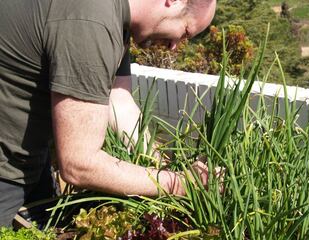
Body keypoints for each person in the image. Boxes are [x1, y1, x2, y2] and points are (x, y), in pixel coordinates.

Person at [0, 0, 216, 227]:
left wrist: (164, 166)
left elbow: (119, 101)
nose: (175, 46)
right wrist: (180, 184)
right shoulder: (91, 19)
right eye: (185, 31)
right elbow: (80, 164)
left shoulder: (115, 16)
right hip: (6, 168)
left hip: (30, 156)